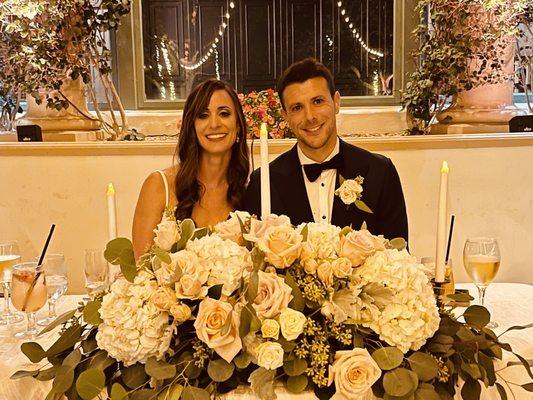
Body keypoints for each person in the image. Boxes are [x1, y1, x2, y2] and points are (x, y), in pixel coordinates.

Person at [244, 58, 408, 242]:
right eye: (297, 107)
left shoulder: (380, 172)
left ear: (336, 102)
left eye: (317, 101)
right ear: (285, 116)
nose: (310, 117)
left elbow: (400, 256)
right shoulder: (264, 182)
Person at [133, 79, 250, 259]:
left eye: (224, 114)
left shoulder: (250, 190)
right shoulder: (158, 185)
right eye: (203, 115)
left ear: (239, 125)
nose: (214, 124)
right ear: (192, 126)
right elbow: (139, 271)